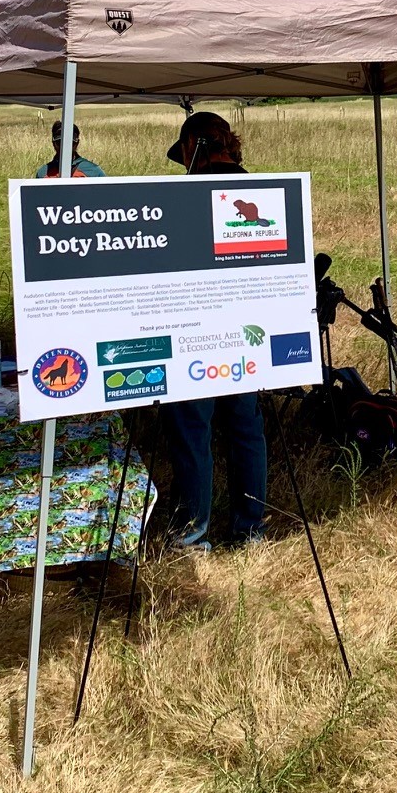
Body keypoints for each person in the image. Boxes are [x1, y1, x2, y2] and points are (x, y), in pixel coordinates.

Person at [161, 110, 268, 546]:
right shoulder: (262, 193)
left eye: (183, 151)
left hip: (197, 333)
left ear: (193, 147)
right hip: (248, 329)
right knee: (245, 427)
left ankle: (193, 535)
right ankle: (250, 529)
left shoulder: (186, 194)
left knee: (192, 427)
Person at [36, 119, 104, 178]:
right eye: (60, 142)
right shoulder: (43, 173)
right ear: (53, 143)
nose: (65, 147)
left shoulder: (94, 172)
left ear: (77, 143)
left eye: (70, 143)